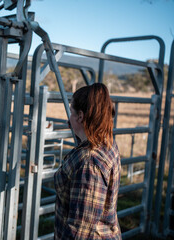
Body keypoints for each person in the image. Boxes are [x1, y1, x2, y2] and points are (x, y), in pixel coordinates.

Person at [53, 83, 121, 239]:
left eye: (71, 112)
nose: (68, 119)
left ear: (81, 116)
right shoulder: (106, 143)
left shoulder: (89, 163)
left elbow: (80, 230)